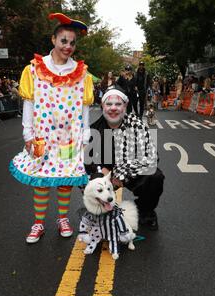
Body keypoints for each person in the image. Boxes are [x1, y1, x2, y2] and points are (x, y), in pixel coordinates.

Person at [9, 13, 94, 244]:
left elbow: (84, 107)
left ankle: (62, 219)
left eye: (72, 42)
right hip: (41, 136)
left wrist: (85, 134)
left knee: (65, 178)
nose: (68, 46)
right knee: (41, 177)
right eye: (64, 41)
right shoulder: (35, 69)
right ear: (53, 40)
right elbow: (29, 102)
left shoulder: (81, 73)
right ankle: (38, 223)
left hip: (69, 136)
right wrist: (27, 133)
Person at [85, 86, 164, 231]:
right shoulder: (93, 129)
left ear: (125, 106)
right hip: (105, 174)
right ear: (102, 105)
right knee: (89, 178)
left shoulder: (137, 125)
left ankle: (146, 211)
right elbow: (86, 160)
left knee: (155, 176)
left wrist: (123, 174)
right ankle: (99, 211)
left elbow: (153, 158)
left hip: (129, 172)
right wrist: (101, 172)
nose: (113, 108)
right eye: (109, 104)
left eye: (118, 104)